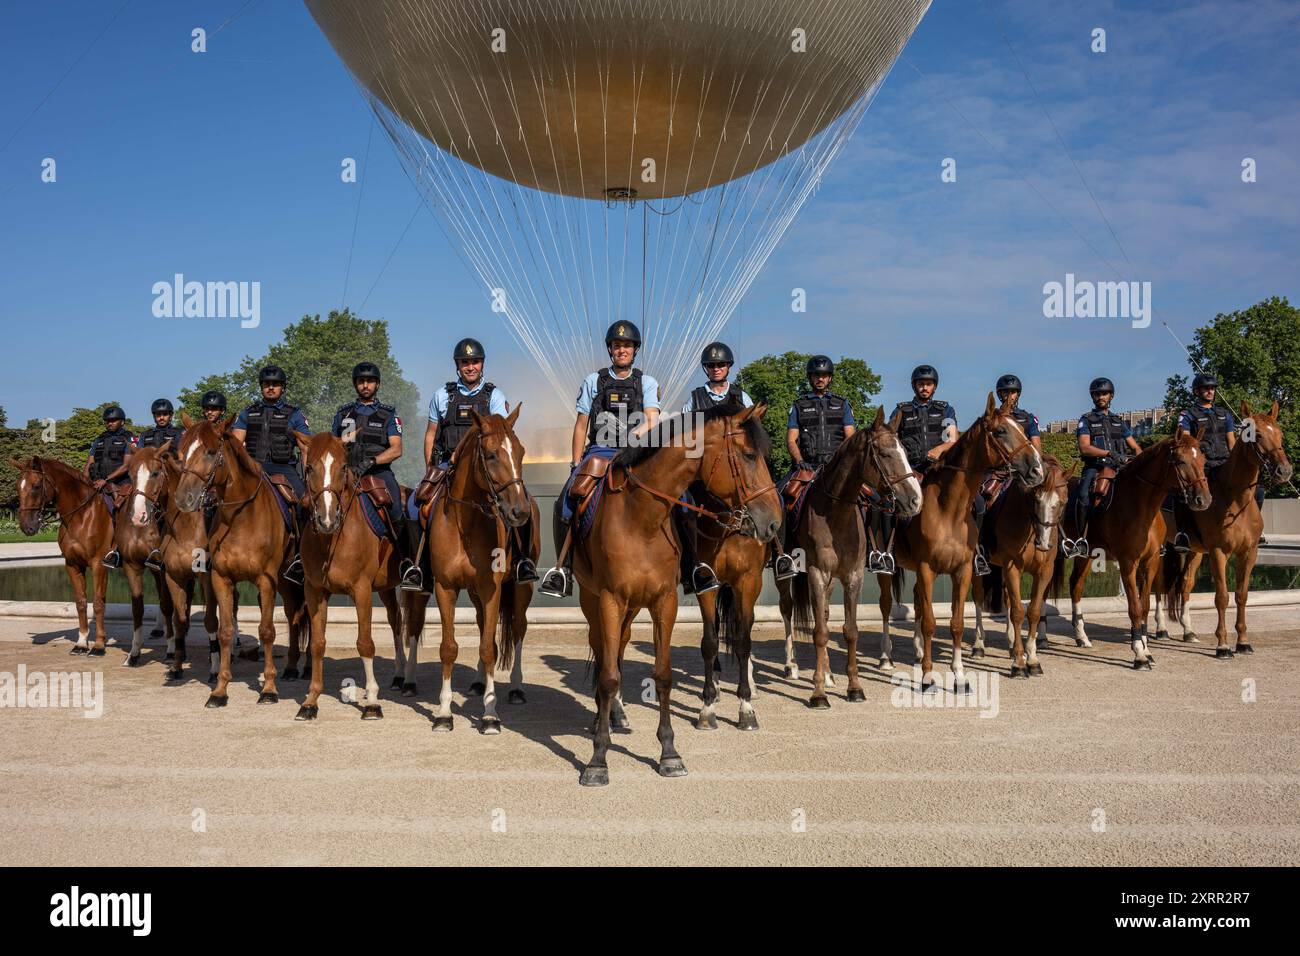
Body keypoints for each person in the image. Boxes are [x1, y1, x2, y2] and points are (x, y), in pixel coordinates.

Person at [539, 320, 671, 597]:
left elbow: (652, 419)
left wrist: (632, 439)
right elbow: (581, 425)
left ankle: (690, 566)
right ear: (610, 349)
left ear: (635, 350)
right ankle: (562, 570)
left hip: (636, 452)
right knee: (565, 501)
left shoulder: (646, 382)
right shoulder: (593, 381)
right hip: (600, 450)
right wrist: (575, 465)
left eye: (627, 345)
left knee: (680, 499)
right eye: (617, 345)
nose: (622, 350)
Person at [421, 337, 538, 586]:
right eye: (465, 362)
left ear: (482, 364)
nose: (470, 367)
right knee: (416, 504)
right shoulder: (442, 396)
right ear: (457, 365)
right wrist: (431, 467)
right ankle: (420, 567)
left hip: (486, 467)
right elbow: (431, 433)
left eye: (475, 362)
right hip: (449, 466)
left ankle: (521, 560)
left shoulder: (494, 396)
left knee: (523, 499)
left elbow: (504, 433)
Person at [332, 361, 428, 589]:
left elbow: (397, 448)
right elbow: (334, 445)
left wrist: (373, 461)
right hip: (349, 472)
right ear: (356, 384)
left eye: (370, 381)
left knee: (397, 510)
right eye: (361, 381)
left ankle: (408, 564)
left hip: (379, 473)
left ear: (377, 384)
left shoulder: (388, 415)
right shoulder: (344, 414)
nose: (365, 385)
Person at [229, 365, 311, 584]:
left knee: (306, 505)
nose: (271, 388)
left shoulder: (294, 414)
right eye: (267, 384)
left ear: (282, 388)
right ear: (262, 387)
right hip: (253, 469)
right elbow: (235, 445)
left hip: (283, 468)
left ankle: (301, 559)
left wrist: (307, 481)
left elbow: (305, 447)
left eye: (275, 385)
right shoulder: (248, 412)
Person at [777, 355, 856, 578]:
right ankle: (786, 558)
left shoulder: (842, 404)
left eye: (823, 375)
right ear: (810, 378)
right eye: (816, 375)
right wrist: (799, 460)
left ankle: (875, 552)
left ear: (829, 378)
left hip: (836, 471)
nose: (820, 379)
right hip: (807, 467)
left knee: (872, 499)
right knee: (779, 497)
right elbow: (791, 439)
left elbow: (851, 438)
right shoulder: (799, 405)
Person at [1173, 371, 1262, 550]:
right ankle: (1182, 533)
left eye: (1213, 388)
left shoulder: (1224, 414)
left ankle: (1254, 529)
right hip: (1202, 464)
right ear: (1197, 391)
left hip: (1224, 463)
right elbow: (1186, 440)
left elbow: (1231, 442)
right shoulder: (1188, 414)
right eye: (1206, 388)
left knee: (1258, 491)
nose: (1210, 391)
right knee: (1181, 494)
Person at [1067, 377, 1142, 558]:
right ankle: (1081, 539)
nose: (1101, 397)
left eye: (1104, 393)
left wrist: (1140, 458)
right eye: (1097, 394)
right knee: (1083, 495)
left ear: (1111, 396)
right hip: (1095, 467)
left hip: (1120, 467)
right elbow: (1085, 447)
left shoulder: (1119, 421)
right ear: (1093, 397)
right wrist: (1108, 454)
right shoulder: (1086, 420)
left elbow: (1135, 446)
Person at [88, 405, 137, 569]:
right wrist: (85, 481)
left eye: (113, 420)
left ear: (121, 422)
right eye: (107, 421)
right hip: (98, 482)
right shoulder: (98, 439)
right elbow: (90, 463)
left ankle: (118, 550)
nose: (109, 423)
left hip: (122, 483)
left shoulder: (128, 438)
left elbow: (126, 465)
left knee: (119, 509)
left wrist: (106, 479)